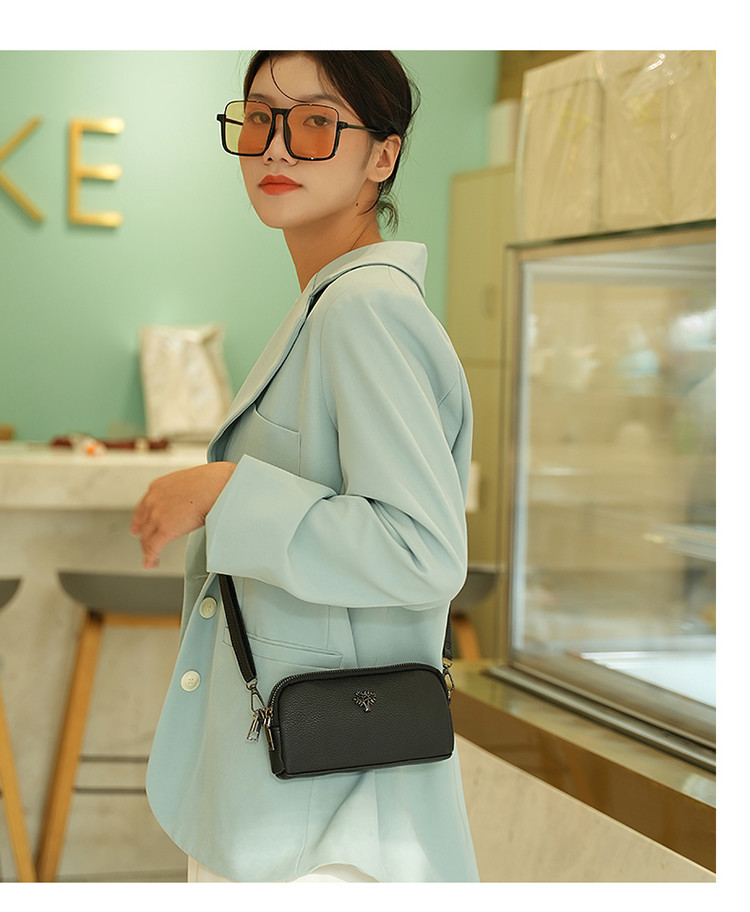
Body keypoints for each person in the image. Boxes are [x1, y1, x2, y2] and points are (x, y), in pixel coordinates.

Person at [132, 50, 479, 884]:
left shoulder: (364, 310)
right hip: (302, 790)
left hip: (329, 825)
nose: (277, 146)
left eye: (317, 122)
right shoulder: (331, 301)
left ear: (382, 156)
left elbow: (423, 551)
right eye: (260, 118)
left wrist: (225, 492)